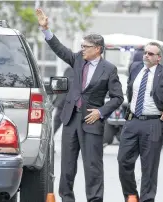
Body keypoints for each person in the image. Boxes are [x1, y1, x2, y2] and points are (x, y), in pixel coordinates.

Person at [36, 8, 124, 202]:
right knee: (67, 166)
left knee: (93, 167)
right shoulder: (76, 59)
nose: (82, 49)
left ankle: (94, 199)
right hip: (70, 119)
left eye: (86, 46)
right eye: (82, 46)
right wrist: (45, 30)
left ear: (97, 49)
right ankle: (67, 198)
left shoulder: (109, 70)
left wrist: (101, 112)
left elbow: (118, 98)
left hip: (92, 122)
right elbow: (60, 49)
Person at [117, 42, 163, 202]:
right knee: (123, 161)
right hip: (132, 121)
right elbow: (130, 89)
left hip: (154, 123)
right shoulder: (134, 68)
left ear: (158, 58)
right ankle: (131, 197)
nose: (146, 55)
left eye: (151, 54)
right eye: (145, 52)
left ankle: (147, 199)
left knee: (149, 167)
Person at [53, 66, 74, 135]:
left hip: (65, 103)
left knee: (56, 124)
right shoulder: (70, 70)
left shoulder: (68, 69)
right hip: (66, 103)